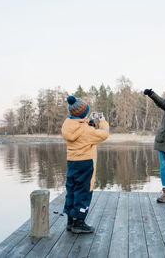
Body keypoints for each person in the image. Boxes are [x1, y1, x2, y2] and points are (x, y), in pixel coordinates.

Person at [61, 95, 109, 233]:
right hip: (85, 163)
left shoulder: (68, 124)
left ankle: (70, 221)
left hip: (72, 162)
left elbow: (82, 125)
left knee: (72, 189)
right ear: (82, 113)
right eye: (86, 112)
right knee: (84, 190)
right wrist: (103, 121)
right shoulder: (87, 131)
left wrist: (90, 119)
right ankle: (79, 222)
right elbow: (104, 134)